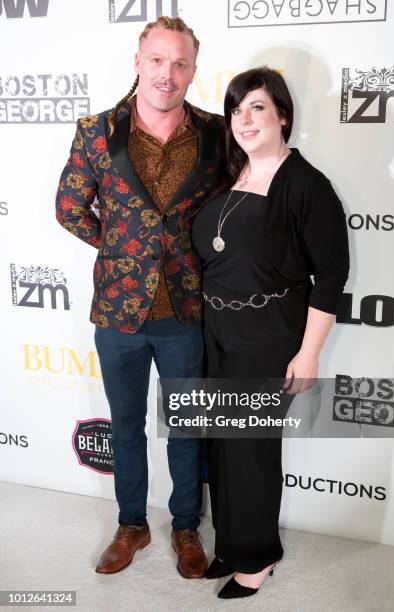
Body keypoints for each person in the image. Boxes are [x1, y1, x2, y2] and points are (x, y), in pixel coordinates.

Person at [55, 16, 224, 578]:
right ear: (138, 61)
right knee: (124, 424)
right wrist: (125, 249)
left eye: (180, 64)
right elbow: (69, 208)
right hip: (118, 312)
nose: (167, 74)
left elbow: (237, 208)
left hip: (185, 309)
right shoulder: (97, 129)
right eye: (157, 60)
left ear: (193, 71)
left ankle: (184, 528)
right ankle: (131, 524)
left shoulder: (216, 134)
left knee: (186, 427)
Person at [192, 66, 350, 599]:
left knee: (252, 449)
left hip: (266, 335)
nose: (245, 119)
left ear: (282, 114)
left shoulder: (306, 185)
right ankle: (233, 545)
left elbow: (330, 275)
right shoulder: (230, 176)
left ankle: (258, 558)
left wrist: (309, 353)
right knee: (224, 446)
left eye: (257, 107)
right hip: (217, 330)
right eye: (236, 110)